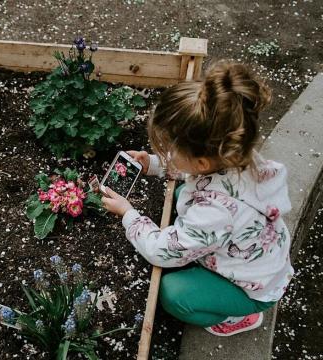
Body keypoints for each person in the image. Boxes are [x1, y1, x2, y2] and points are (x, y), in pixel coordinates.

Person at [101, 60, 294, 336]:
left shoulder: (214, 212)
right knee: (182, 193)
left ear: (202, 162)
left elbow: (161, 252)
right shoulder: (237, 155)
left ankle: (236, 317)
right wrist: (154, 164)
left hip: (251, 287)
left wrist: (128, 214)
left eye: (170, 148)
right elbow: (192, 170)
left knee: (173, 293)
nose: (167, 151)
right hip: (256, 255)